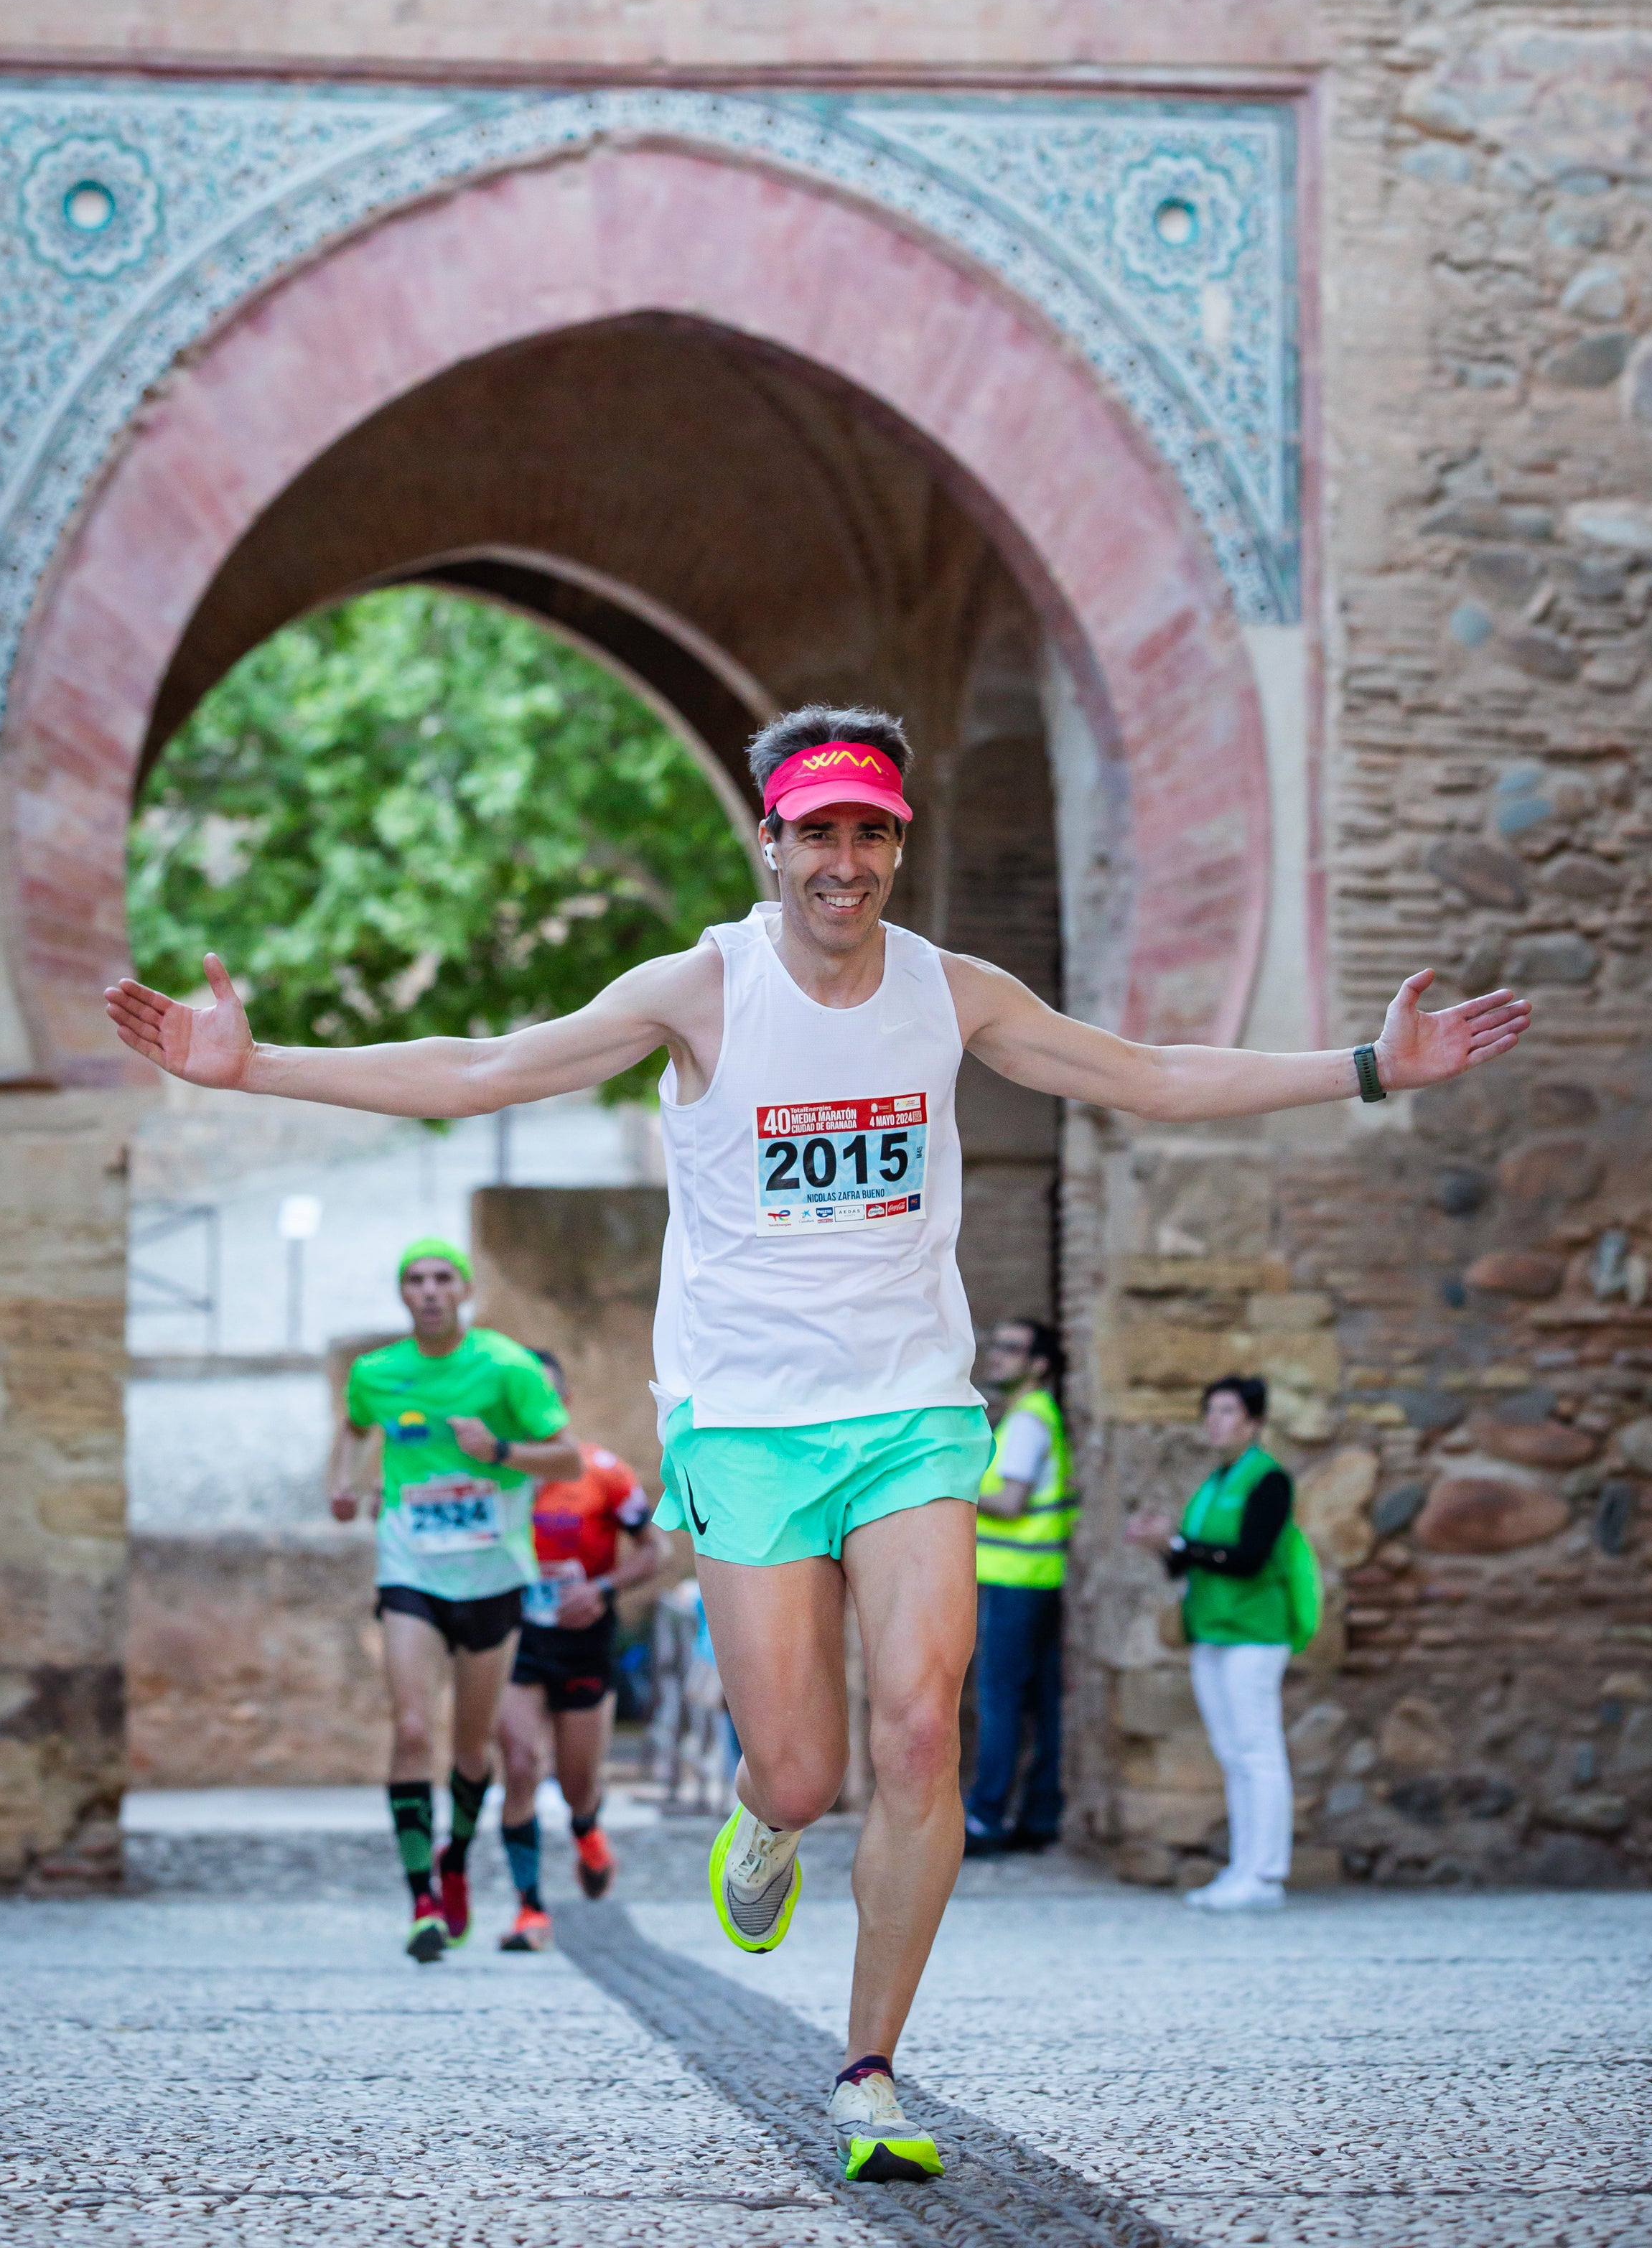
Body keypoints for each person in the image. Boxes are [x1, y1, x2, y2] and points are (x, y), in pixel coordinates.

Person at [106, 699, 1530, 2183]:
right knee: (800, 1773)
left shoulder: (952, 991)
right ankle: (765, 1822)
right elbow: (484, 1066)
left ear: (896, 844)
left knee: (924, 1729)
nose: (843, 860)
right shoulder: (699, 988)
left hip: (912, 1412)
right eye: (817, 831)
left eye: (871, 831)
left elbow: (1151, 1075)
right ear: (768, 840)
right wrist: (254, 1066)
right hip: (747, 1423)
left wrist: (1368, 1069)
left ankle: (868, 2069)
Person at [327, 1239, 581, 1962]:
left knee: (473, 1745)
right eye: (415, 1278)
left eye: (442, 1277)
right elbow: (350, 1429)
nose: (430, 1290)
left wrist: (497, 1451)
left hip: (493, 1575)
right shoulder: (375, 1373)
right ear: (402, 1292)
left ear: (464, 1288)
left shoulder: (506, 1366)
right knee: (411, 1726)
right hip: (410, 1567)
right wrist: (341, 1483)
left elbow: (567, 1456)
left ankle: (456, 1858)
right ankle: (421, 1901)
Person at [493, 1349, 660, 1948]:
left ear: (561, 1405)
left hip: (585, 1638)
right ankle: (529, 1909)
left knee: (575, 1782)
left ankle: (587, 1830)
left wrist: (603, 1587)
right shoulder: (489, 1475)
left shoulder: (602, 1472)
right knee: (518, 1766)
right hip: (513, 1639)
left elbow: (652, 1551)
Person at [1125, 1373, 1307, 1911]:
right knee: (1233, 1754)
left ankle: (1267, 1874)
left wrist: (1180, 1542)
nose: (1214, 1420)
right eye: (1209, 1410)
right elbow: (1191, 1559)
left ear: (1253, 1421)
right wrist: (1161, 1544)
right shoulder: (1214, 1482)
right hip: (1211, 1632)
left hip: (1255, 1633)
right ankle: (1241, 1868)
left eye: (1226, 1411)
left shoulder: (1267, 1479)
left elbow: (1248, 1557)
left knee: (1258, 1752)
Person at [963, 1317, 1075, 1859]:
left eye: (1012, 1349)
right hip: (1032, 1580)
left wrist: (951, 1488)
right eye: (996, 1344)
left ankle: (985, 1818)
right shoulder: (1029, 1417)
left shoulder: (1029, 1421)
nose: (996, 1355)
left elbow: (1010, 1501)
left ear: (1039, 1364)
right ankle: (1036, 1814)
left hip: (1016, 1580)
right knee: (1035, 1700)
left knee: (1000, 1700)